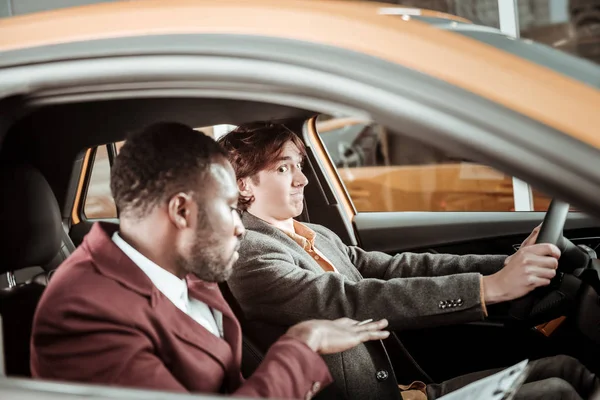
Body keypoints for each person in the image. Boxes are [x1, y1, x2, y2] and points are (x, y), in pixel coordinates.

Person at [218, 121, 600, 400]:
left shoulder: (315, 233)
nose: (302, 179)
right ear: (244, 184)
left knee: (566, 368)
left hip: (408, 389)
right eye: (284, 168)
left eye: (300, 165)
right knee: (555, 393)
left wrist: (507, 265)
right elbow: (349, 300)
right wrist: (490, 289)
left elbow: (396, 268)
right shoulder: (250, 252)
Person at [30, 122, 391, 399]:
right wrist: (301, 345)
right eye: (231, 208)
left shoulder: (187, 274)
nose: (239, 228)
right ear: (182, 211)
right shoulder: (83, 313)